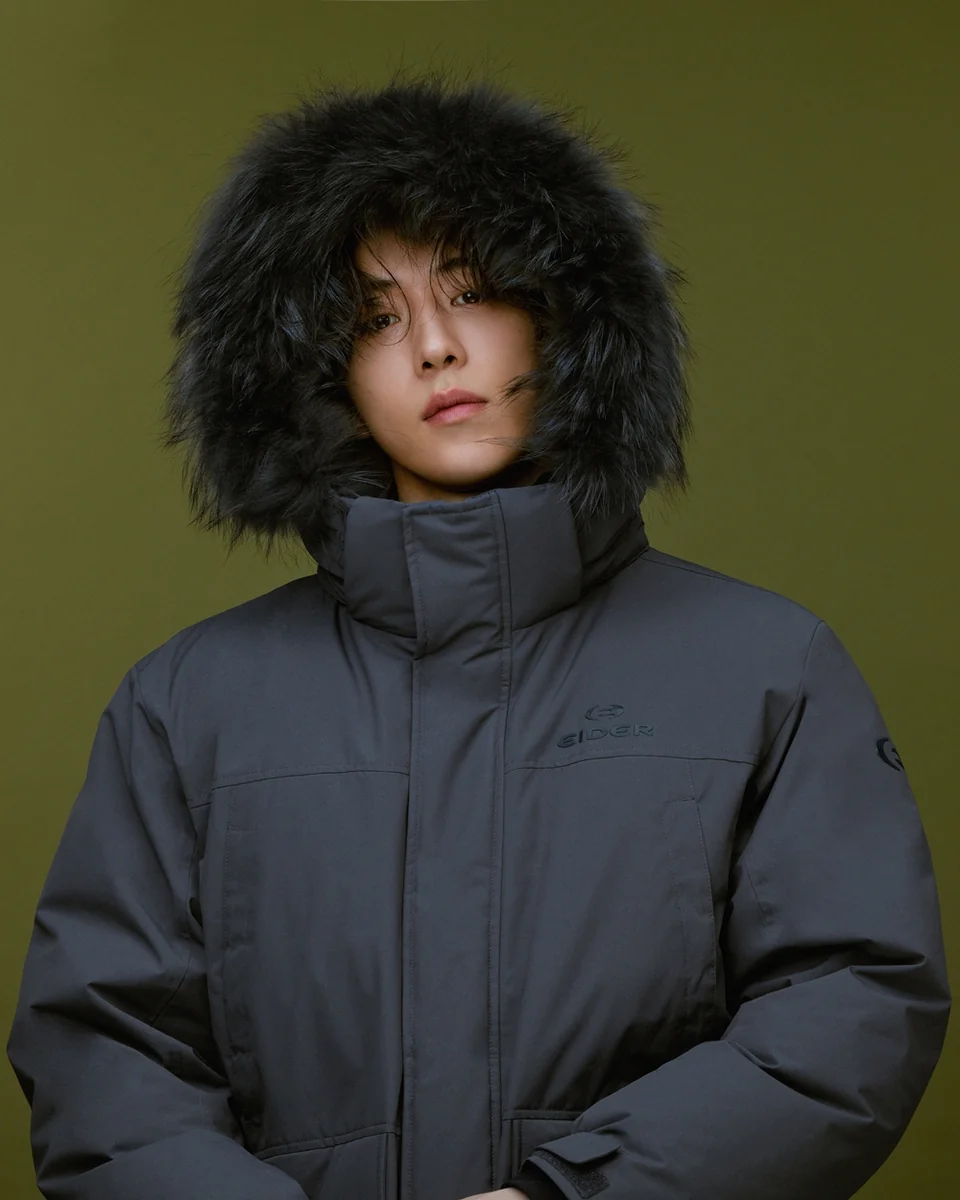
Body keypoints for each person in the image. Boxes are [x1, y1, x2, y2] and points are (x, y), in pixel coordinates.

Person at [6, 70, 950, 1200]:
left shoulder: (765, 671)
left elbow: (848, 1005)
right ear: (315, 374)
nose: (436, 349)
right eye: (375, 320)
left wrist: (574, 1192)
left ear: (565, 317)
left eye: (475, 292)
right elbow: (108, 1051)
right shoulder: (188, 703)